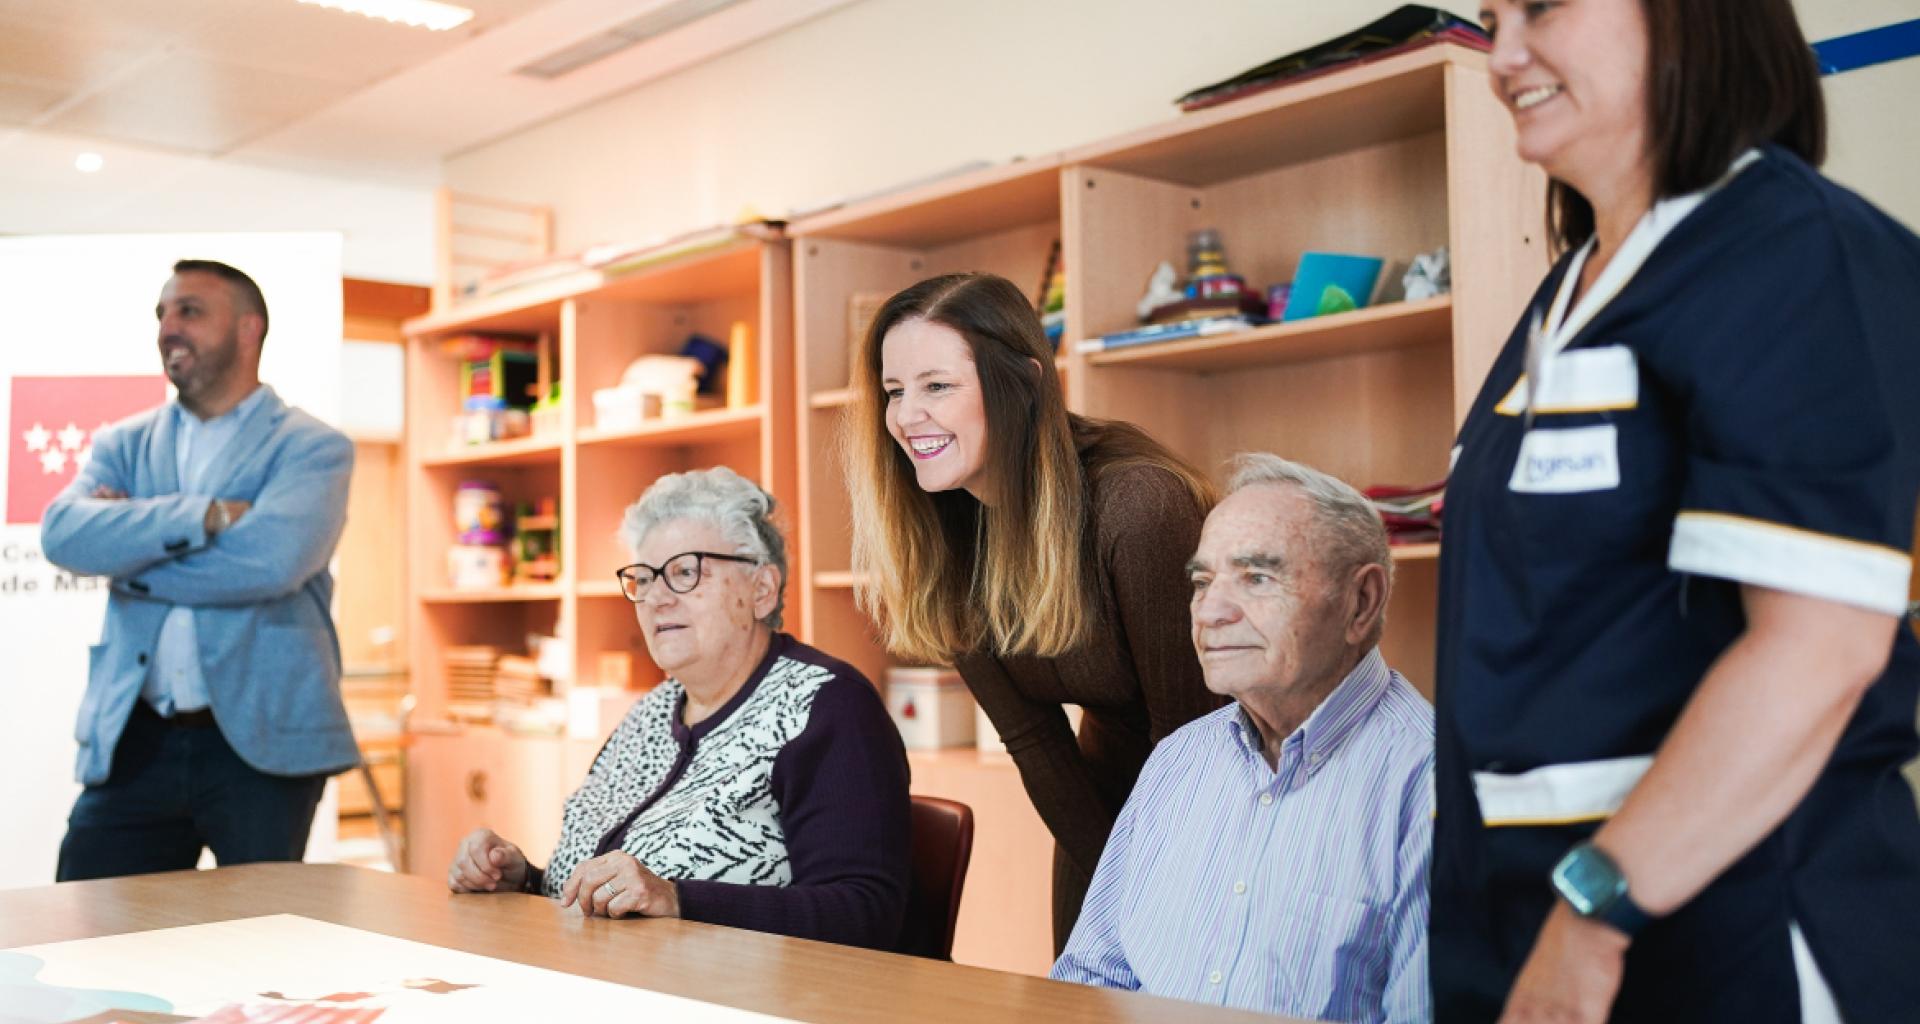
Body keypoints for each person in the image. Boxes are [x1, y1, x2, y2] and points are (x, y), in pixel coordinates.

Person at [1436, 2, 1920, 1021]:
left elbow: (1819, 653)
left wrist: (1592, 914)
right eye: (1491, 19)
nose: (1503, 53)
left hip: (1724, 931)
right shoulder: (1570, 289)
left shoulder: (1796, 253)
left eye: (1543, 7)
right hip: (1524, 925)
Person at [845, 272, 1223, 950]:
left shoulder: (1140, 506)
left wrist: (1153, 889)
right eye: (894, 391)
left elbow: (1193, 738)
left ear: (1022, 380)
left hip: (1220, 802)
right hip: (1097, 806)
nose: (905, 416)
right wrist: (1111, 877)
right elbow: (1034, 740)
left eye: (937, 386)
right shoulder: (949, 538)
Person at [447, 467, 911, 952]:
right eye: (643, 578)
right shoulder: (649, 712)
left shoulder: (825, 706)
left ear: (761, 590)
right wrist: (522, 878)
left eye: (686, 572)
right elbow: (616, 898)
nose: (657, 598)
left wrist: (678, 899)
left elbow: (865, 914)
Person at [1052, 454, 1432, 1022]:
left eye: (1257, 577)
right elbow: (1090, 980)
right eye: (1202, 582)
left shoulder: (1429, 783)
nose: (1211, 611)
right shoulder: (1179, 761)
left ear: (1361, 602)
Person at [40, 259, 359, 880]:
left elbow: (269, 563)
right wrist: (203, 515)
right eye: (162, 313)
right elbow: (62, 533)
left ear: (248, 329)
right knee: (85, 931)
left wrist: (129, 558)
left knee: (256, 946)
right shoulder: (121, 443)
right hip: (136, 737)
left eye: (189, 310)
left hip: (261, 744)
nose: (167, 327)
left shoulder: (312, 446)